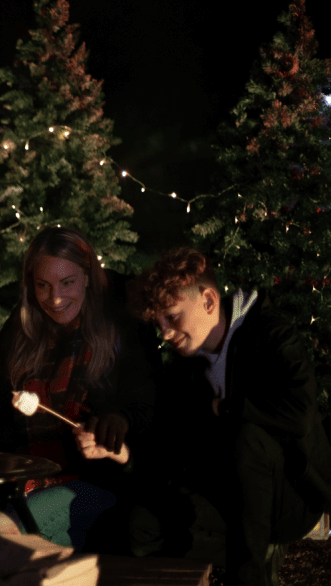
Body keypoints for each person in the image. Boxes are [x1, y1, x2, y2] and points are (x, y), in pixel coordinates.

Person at [125, 247, 331, 586]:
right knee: (142, 524)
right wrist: (123, 455)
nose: (165, 333)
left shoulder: (271, 336)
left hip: (290, 498)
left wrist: (228, 408)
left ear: (208, 300)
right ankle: (245, 552)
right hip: (230, 501)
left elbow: (298, 416)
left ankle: (249, 575)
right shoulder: (185, 369)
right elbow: (173, 448)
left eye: (173, 317)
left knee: (247, 436)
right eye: (159, 323)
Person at [0, 227, 158, 548]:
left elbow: (148, 408)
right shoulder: (22, 333)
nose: (56, 299)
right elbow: (9, 424)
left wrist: (118, 422)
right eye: (43, 286)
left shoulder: (122, 328)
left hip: (94, 483)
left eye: (68, 283)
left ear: (88, 277)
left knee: (9, 529)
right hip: (24, 480)